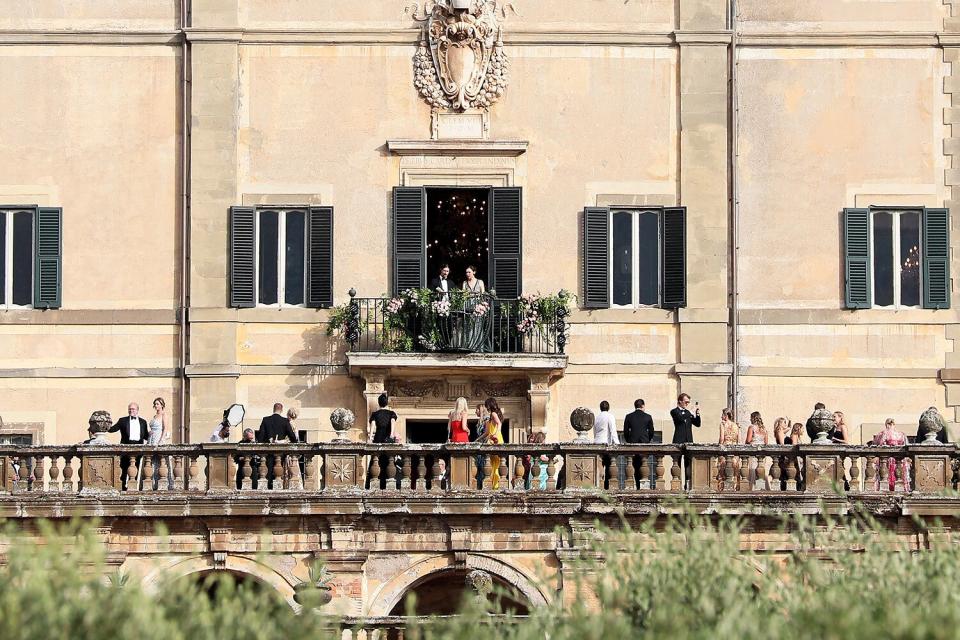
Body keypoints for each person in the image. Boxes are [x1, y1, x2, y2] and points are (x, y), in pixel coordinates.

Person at [109, 402, 149, 491]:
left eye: (133, 409)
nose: (131, 410)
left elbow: (145, 436)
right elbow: (113, 429)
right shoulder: (122, 420)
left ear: (137, 410)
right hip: (125, 448)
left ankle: (134, 487)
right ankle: (123, 487)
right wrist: (105, 426)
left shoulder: (143, 422)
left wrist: (153, 433)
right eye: (130, 409)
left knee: (136, 468)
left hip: (138, 447)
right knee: (124, 468)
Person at [670, 393, 701, 488]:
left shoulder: (688, 413)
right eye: (686, 402)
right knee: (677, 463)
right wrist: (690, 413)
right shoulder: (674, 411)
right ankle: (677, 484)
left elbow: (697, 424)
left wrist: (697, 414)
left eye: (688, 402)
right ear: (680, 401)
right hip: (678, 440)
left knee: (688, 463)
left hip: (688, 440)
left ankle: (687, 485)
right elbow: (679, 419)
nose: (687, 404)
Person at [623, 398, 655, 489]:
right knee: (644, 464)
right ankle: (644, 486)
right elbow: (652, 431)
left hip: (633, 444)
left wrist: (629, 440)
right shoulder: (648, 416)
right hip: (644, 443)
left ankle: (637, 485)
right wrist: (647, 440)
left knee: (635, 466)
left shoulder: (629, 416)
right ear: (643, 406)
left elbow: (625, 431)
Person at [871, 418, 910, 491]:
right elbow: (905, 446)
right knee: (898, 475)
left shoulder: (883, 434)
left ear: (886, 424)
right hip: (898, 460)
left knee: (887, 475)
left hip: (887, 460)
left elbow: (877, 446)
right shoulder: (901, 434)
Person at [594, 400, 622, 489]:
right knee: (609, 467)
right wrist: (617, 443)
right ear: (608, 408)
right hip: (606, 444)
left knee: (599, 468)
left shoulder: (597, 417)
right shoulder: (610, 416)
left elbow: (595, 432)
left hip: (597, 443)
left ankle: (599, 486)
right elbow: (612, 431)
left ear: (600, 408)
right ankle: (607, 487)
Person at [148, 397, 172, 490]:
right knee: (151, 460)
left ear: (162, 405)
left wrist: (161, 440)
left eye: (157, 404)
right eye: (155, 404)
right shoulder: (154, 416)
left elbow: (165, 428)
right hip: (151, 439)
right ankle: (152, 483)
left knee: (161, 460)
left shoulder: (164, 415)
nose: (156, 405)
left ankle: (162, 484)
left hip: (159, 438)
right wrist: (149, 432)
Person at [717, 408, 740, 490]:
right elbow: (738, 440)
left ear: (726, 416)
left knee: (723, 469)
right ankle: (734, 488)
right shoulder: (736, 425)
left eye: (722, 415)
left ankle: (723, 488)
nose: (721, 416)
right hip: (734, 449)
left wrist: (719, 446)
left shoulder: (723, 424)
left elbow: (722, 438)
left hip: (725, 448)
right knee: (734, 470)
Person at [484, 397, 504, 490]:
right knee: (493, 464)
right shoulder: (491, 416)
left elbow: (499, 424)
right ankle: (494, 485)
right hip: (492, 439)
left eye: (486, 405)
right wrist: (477, 440)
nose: (486, 407)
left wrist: (496, 434)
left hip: (496, 439)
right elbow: (487, 433)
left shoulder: (493, 413)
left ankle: (495, 485)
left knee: (496, 463)